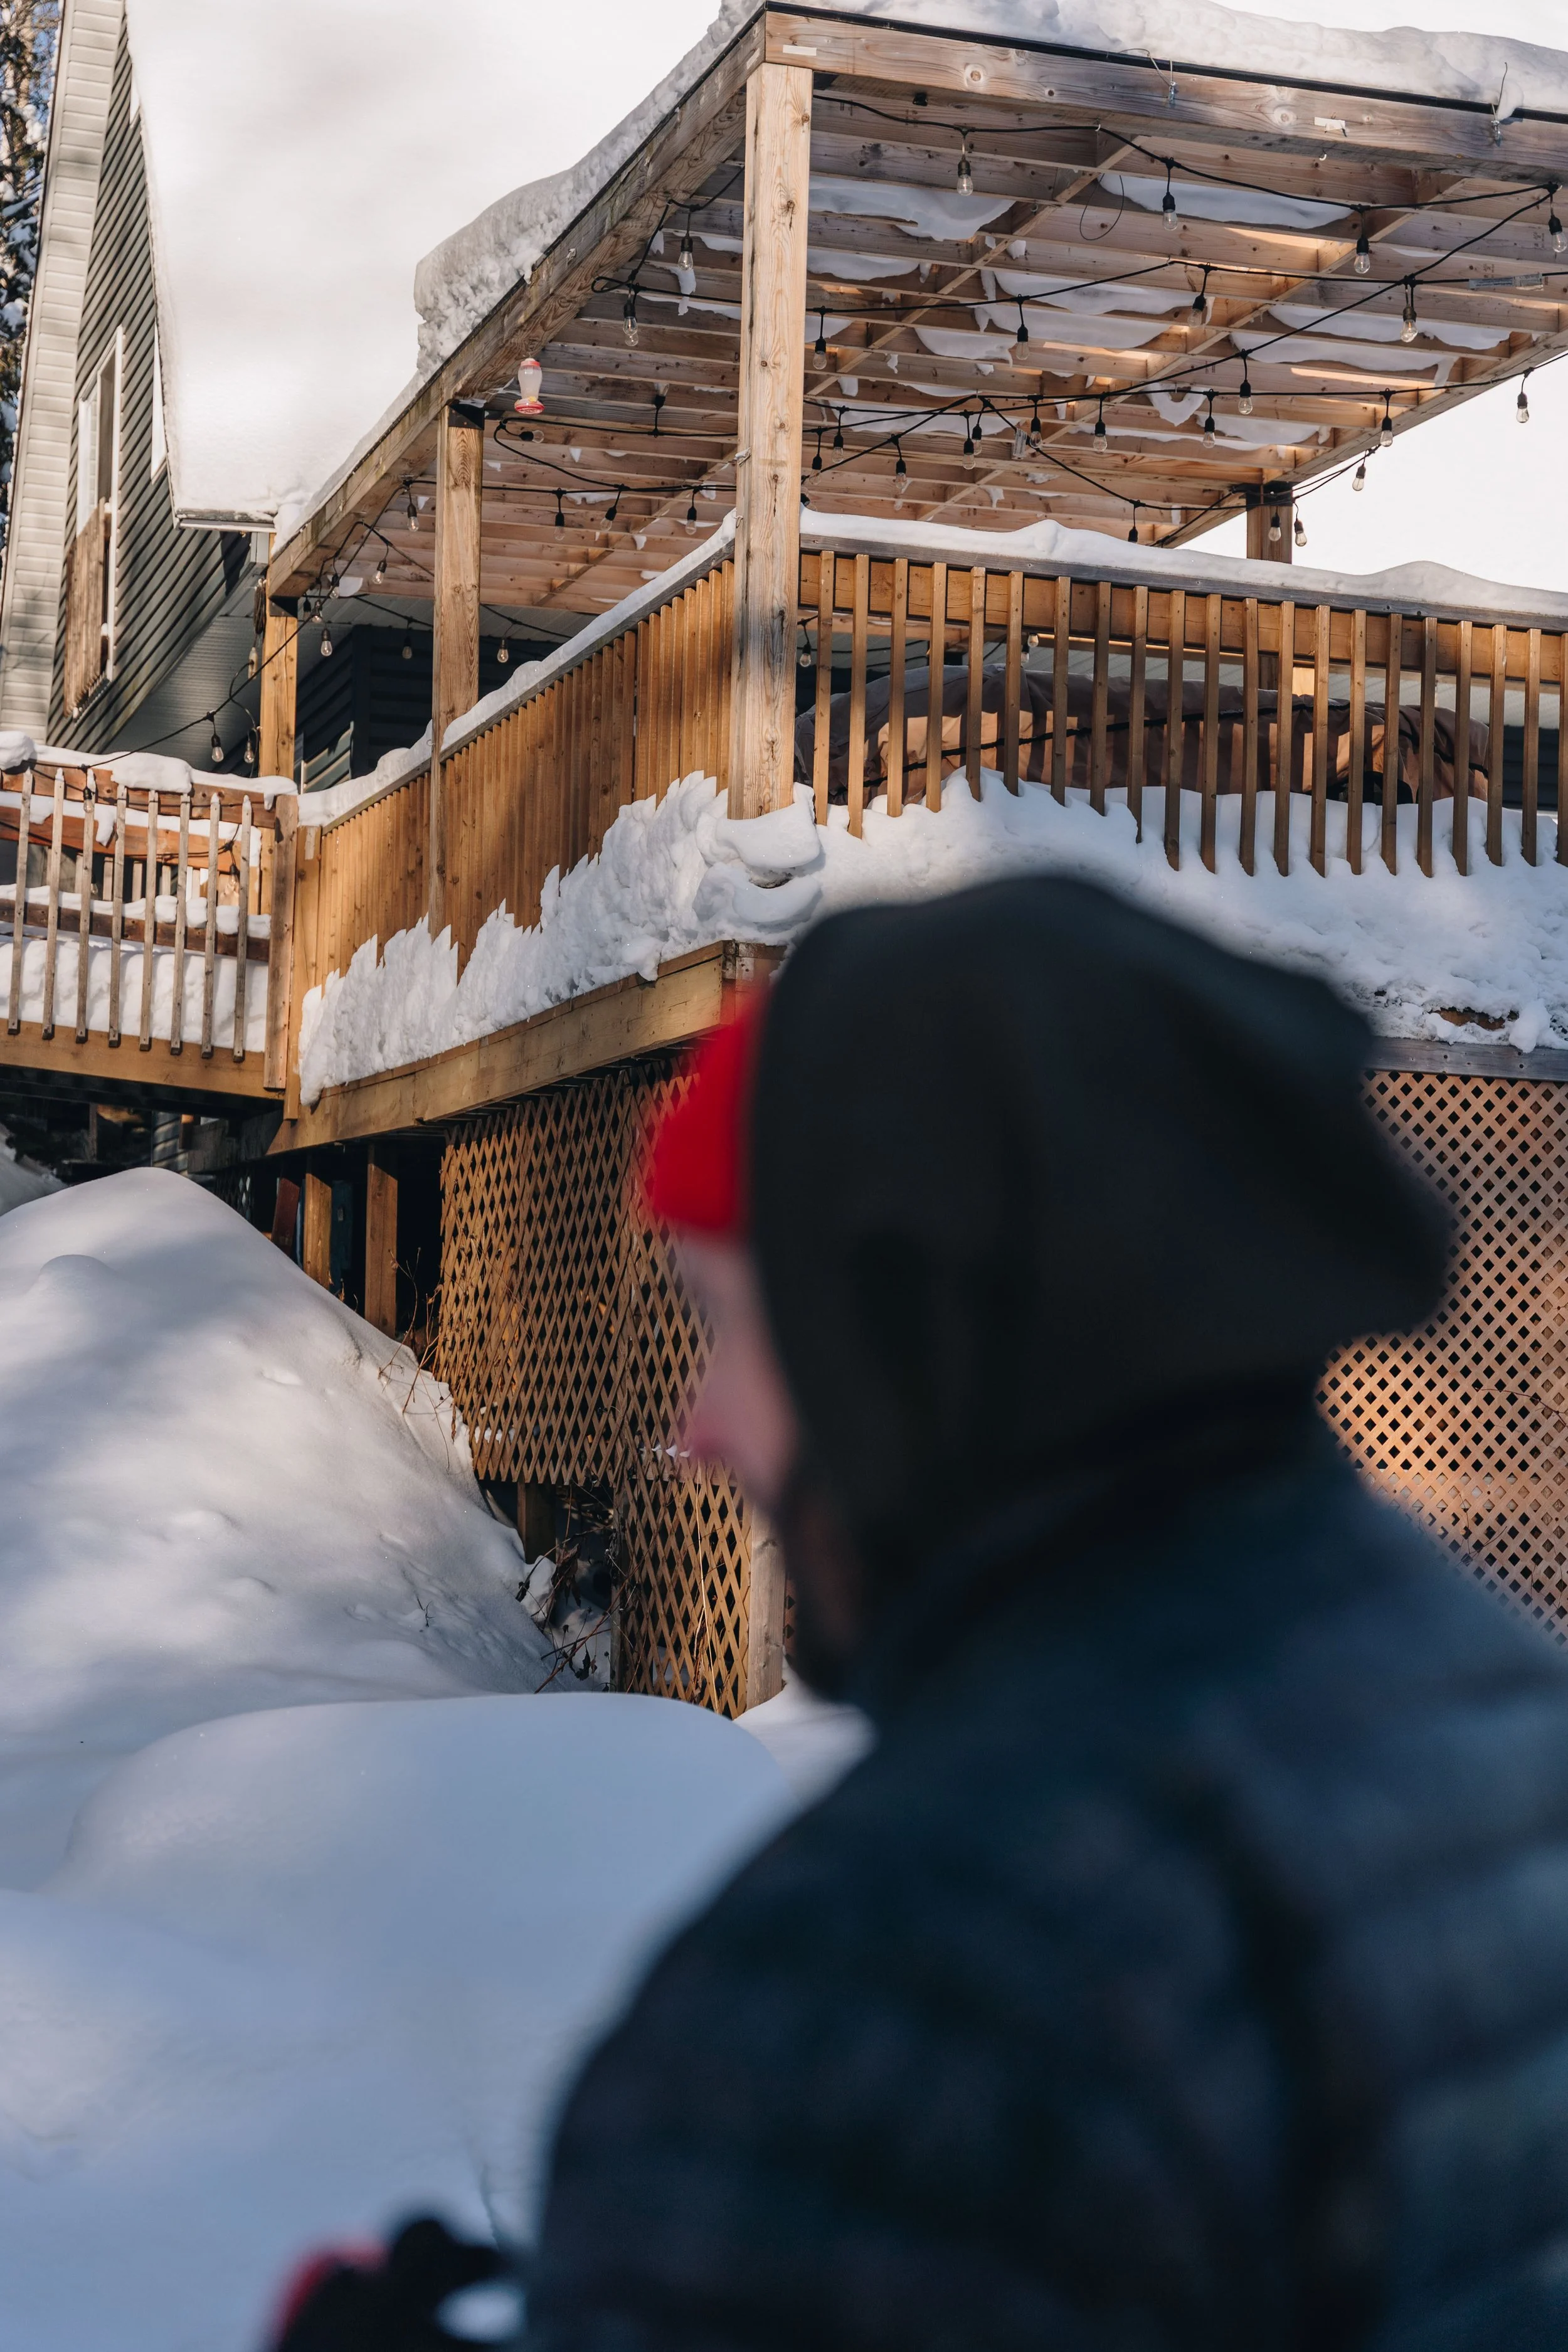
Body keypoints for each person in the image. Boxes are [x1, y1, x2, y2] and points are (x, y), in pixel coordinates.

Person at [281, 876, 1568, 2351]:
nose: (701, 1427)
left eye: (730, 1326)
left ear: (906, 1338)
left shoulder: (898, 1989)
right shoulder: (1496, 1714)